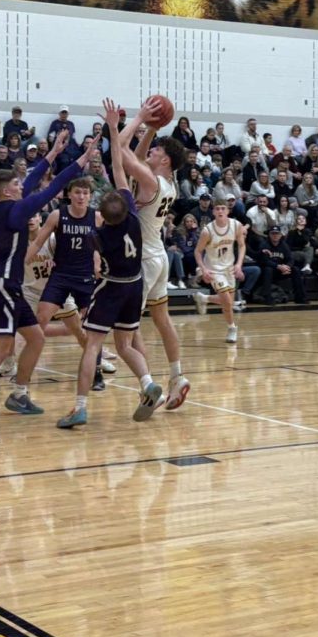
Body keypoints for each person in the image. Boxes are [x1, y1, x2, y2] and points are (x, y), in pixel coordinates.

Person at [0, 130, 94, 426]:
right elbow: (53, 185)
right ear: (7, 191)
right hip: (2, 284)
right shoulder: (15, 213)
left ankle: (19, 394)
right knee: (1, 347)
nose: (22, 184)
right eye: (17, 183)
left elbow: (32, 180)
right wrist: (81, 159)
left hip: (5, 284)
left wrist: (52, 153)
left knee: (36, 338)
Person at [56, 99, 163, 429]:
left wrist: (114, 127)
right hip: (136, 285)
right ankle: (147, 384)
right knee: (126, 344)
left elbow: (95, 260)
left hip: (114, 287)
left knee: (93, 345)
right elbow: (118, 165)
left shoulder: (99, 232)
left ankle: (80, 406)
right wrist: (115, 129)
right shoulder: (132, 215)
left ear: (103, 214)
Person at [116, 98, 190, 411]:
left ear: (166, 161)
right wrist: (150, 129)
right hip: (157, 254)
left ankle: (149, 386)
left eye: (159, 150)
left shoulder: (150, 180)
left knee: (127, 333)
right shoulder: (167, 184)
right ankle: (177, 376)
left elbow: (120, 152)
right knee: (162, 319)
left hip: (143, 260)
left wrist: (138, 119)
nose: (153, 152)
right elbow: (140, 156)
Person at [27, 176, 106, 390]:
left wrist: (100, 263)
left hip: (86, 278)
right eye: (77, 192)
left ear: (90, 196)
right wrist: (22, 262)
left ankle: (97, 373)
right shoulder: (57, 215)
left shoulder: (97, 218)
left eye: (85, 193)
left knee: (91, 328)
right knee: (41, 317)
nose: (81, 196)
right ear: (69, 195)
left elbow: (103, 246)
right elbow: (38, 241)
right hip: (60, 276)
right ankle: (26, 368)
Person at [193, 199, 247, 344]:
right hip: (213, 269)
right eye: (217, 208)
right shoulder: (207, 231)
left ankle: (203, 299)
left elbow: (242, 246)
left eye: (223, 208)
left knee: (227, 302)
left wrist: (239, 264)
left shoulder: (236, 226)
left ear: (228, 211)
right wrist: (203, 270)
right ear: (213, 212)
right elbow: (198, 252)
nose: (220, 211)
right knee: (228, 303)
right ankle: (232, 328)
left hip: (230, 268)